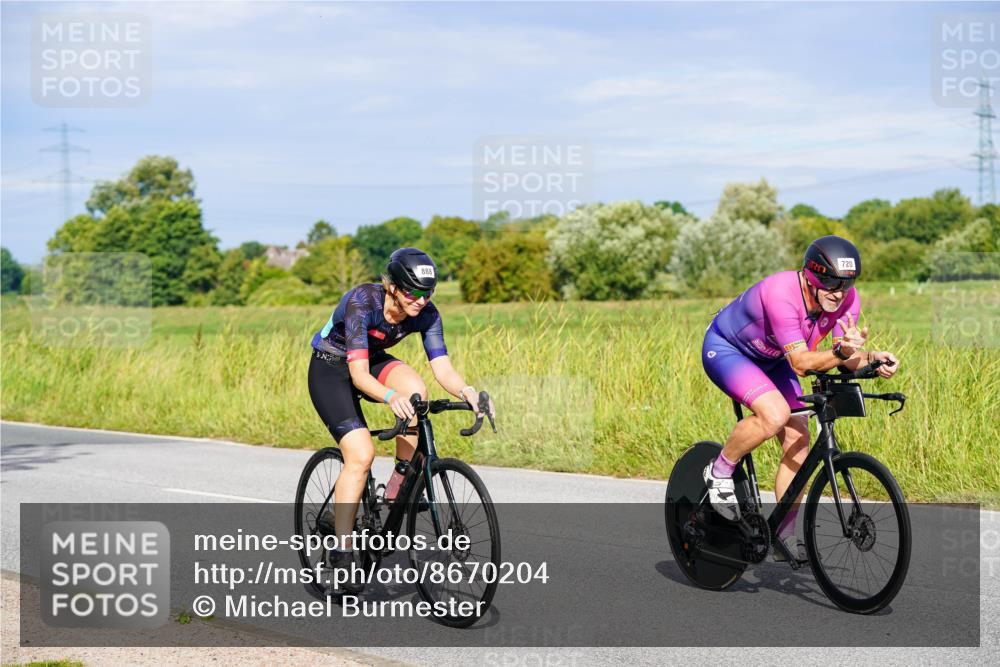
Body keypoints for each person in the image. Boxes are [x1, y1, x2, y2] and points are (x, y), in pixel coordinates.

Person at [700, 236, 899, 564]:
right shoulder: (782, 294)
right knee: (775, 415)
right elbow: (803, 364)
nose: (839, 292)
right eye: (831, 282)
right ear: (811, 277)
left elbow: (842, 357)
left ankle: (783, 533)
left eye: (847, 283)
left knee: (798, 436)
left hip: (775, 356)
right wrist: (839, 353)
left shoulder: (846, 302)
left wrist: (873, 359)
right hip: (728, 349)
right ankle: (719, 470)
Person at [307, 247, 494, 592]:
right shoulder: (363, 302)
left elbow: (443, 369)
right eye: (412, 292)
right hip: (331, 368)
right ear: (392, 286)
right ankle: (343, 548)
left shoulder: (426, 313)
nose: (420, 300)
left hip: (370, 358)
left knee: (416, 392)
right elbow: (359, 376)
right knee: (360, 456)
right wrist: (391, 398)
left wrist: (467, 391)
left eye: (428, 293)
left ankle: (396, 490)